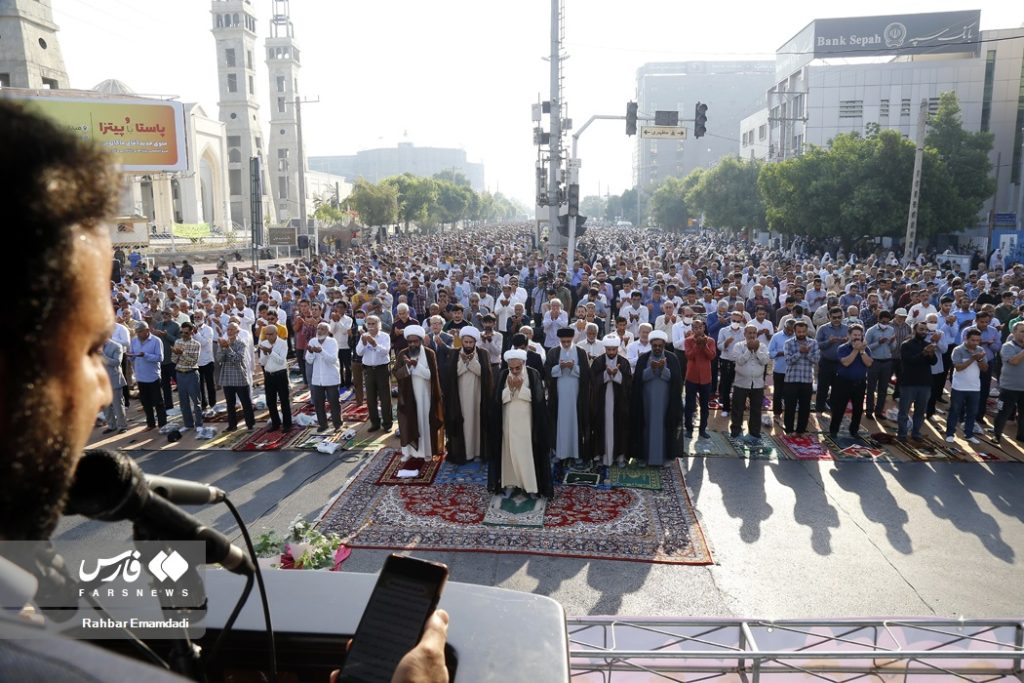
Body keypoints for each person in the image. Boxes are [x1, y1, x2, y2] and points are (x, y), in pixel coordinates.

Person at [0, 100, 450, 683]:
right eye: (89, 350)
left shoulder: (33, 585)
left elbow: (152, 640)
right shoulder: (38, 661)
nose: (107, 392)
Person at [489, 350, 553, 498]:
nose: (515, 371)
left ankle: (529, 486)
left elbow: (538, 399)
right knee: (509, 451)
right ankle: (510, 484)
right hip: (508, 421)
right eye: (512, 368)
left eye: (518, 368)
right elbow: (497, 400)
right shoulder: (504, 374)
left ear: (523, 363)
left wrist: (521, 388)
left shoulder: (533, 374)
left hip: (527, 422)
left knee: (526, 452)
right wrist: (510, 390)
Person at [393, 325, 444, 461]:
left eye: (415, 341)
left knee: (424, 422)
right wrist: (408, 367)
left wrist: (417, 366)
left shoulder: (429, 353)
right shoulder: (402, 354)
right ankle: (408, 452)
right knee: (409, 421)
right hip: (408, 395)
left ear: (420, 341)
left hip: (425, 396)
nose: (413, 344)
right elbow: (397, 374)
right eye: (410, 342)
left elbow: (431, 375)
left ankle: (426, 452)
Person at [632, 330, 683, 465]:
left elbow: (676, 380)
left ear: (664, 345)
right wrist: (652, 370)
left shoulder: (672, 358)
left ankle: (665, 457)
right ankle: (644, 457)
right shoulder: (643, 359)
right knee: (646, 427)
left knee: (665, 427)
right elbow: (638, 379)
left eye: (660, 346)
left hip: (666, 401)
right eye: (654, 346)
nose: (657, 348)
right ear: (651, 345)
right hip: (647, 401)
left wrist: (662, 369)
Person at [443, 327, 492, 464]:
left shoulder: (483, 354)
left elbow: (486, 375)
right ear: (462, 341)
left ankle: (477, 453)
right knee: (463, 423)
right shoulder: (454, 354)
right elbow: (451, 375)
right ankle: (464, 453)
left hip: (478, 397)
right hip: (460, 398)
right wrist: (464, 362)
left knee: (477, 423)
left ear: (475, 342)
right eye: (466, 342)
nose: (469, 345)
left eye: (471, 342)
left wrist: (471, 361)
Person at [544, 327, 591, 464]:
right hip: (558, 394)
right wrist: (559, 367)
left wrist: (573, 367)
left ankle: (576, 454)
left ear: (572, 339)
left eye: (568, 341)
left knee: (575, 421)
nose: (565, 344)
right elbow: (547, 371)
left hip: (576, 394)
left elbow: (586, 373)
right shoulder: (554, 352)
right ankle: (560, 453)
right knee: (559, 422)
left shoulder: (581, 352)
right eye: (563, 341)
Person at [590, 335, 632, 467]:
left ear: (618, 349)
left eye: (614, 349)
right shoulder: (598, 362)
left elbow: (629, 383)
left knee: (620, 427)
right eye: (609, 350)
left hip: (619, 403)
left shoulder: (624, 362)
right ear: (605, 349)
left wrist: (616, 375)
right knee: (601, 427)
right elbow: (592, 382)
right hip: (602, 403)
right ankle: (602, 456)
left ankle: (620, 456)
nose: (612, 353)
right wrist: (606, 375)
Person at [897, 321, 938, 442]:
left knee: (920, 411)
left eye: (926, 330)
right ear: (914, 330)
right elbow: (910, 361)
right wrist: (924, 352)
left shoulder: (928, 344)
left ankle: (916, 432)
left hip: (925, 383)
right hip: (909, 383)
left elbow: (933, 362)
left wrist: (930, 353)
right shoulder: (906, 345)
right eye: (921, 329)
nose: (924, 332)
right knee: (904, 410)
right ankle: (902, 434)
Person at [830, 324, 872, 439]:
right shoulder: (842, 348)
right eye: (854, 335)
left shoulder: (866, 349)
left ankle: (854, 430)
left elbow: (869, 363)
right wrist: (855, 350)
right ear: (849, 335)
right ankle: (833, 430)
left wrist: (862, 351)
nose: (857, 337)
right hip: (843, 382)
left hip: (860, 383)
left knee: (858, 408)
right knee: (839, 408)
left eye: (859, 335)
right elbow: (846, 362)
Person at [945, 329, 986, 444]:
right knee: (955, 410)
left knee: (972, 412)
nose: (975, 343)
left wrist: (980, 359)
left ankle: (969, 434)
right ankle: (949, 433)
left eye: (978, 340)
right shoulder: (958, 350)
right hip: (959, 387)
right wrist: (973, 358)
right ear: (966, 339)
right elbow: (958, 367)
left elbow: (985, 368)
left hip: (975, 387)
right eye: (973, 340)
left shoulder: (980, 350)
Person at [730, 323, 770, 442]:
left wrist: (756, 350)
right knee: (738, 408)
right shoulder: (738, 346)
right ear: (745, 334)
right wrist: (748, 349)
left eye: (754, 333)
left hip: (757, 383)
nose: (752, 335)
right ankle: (736, 432)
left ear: (756, 334)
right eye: (749, 333)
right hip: (741, 382)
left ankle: (754, 433)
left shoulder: (762, 346)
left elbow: (765, 361)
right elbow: (740, 361)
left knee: (756, 409)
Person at [357, 314, 393, 432]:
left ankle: (387, 424)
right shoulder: (364, 336)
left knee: (385, 398)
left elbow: (385, 352)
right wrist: (363, 342)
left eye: (373, 324)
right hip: (368, 370)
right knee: (371, 398)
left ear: (379, 325)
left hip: (382, 369)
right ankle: (375, 423)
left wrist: (374, 344)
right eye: (369, 324)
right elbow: (359, 353)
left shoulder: (384, 336)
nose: (371, 326)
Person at [783, 321, 819, 435]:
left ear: (807, 331)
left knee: (805, 407)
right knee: (790, 406)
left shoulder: (813, 343)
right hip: (791, 380)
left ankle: (801, 430)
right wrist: (799, 352)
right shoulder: (788, 343)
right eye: (799, 332)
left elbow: (816, 360)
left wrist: (807, 353)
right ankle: (789, 429)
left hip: (806, 379)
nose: (801, 334)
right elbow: (788, 361)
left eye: (803, 331)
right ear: (794, 331)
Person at [684, 319, 716, 439]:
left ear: (704, 328)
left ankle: (703, 429)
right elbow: (689, 356)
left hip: (705, 378)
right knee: (690, 404)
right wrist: (698, 345)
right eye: (695, 328)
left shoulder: (711, 340)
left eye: (700, 327)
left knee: (704, 405)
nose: (698, 330)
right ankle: (689, 428)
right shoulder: (688, 341)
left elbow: (712, 356)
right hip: (691, 377)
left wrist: (705, 345)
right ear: (692, 330)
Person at [308, 321, 342, 432]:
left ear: (327, 332)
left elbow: (332, 359)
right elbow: (309, 360)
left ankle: (337, 424)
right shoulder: (312, 341)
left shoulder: (332, 342)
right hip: (318, 378)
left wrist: (321, 351)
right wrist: (311, 352)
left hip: (331, 378)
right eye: (318, 328)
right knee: (318, 403)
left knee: (334, 402)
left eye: (322, 329)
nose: (319, 330)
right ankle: (323, 425)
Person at [993, 321, 1024, 445]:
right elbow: (1014, 361)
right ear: (1014, 332)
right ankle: (996, 436)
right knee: (1003, 413)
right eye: (1022, 331)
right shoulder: (1008, 346)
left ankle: (1021, 437)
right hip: (1009, 388)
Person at [258, 324, 292, 432]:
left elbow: (281, 360)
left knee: (284, 400)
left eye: (270, 334)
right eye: (266, 334)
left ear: (276, 334)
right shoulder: (263, 344)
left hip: (280, 375)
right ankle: (275, 423)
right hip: (269, 375)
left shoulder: (282, 344)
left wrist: (270, 352)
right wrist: (265, 354)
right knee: (270, 402)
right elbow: (262, 362)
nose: (268, 336)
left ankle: (287, 425)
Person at [815, 307, 849, 413]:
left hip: (840, 363)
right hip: (826, 362)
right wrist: (829, 342)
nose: (837, 319)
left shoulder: (847, 329)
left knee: (838, 388)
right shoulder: (823, 329)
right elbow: (817, 345)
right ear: (829, 317)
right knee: (822, 388)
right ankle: (819, 409)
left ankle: (833, 409)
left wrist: (847, 342)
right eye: (834, 318)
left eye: (839, 317)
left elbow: (853, 344)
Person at [172, 321, 204, 432]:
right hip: (180, 374)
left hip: (191, 374)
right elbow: (173, 360)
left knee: (196, 401)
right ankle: (188, 424)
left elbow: (194, 361)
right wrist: (176, 353)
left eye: (185, 333)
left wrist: (182, 353)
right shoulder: (177, 342)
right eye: (181, 332)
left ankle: (199, 424)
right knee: (183, 401)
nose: (183, 335)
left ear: (191, 332)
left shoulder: (196, 344)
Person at [864, 310, 896, 420]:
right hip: (874, 362)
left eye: (887, 322)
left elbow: (893, 348)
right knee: (871, 388)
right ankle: (869, 410)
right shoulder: (871, 331)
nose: (885, 324)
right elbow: (866, 348)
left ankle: (879, 411)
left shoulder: (891, 330)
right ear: (878, 320)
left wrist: (892, 342)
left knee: (883, 389)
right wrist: (879, 343)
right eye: (883, 322)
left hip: (887, 362)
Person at [152, 309, 180, 409]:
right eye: (163, 313)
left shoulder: (176, 326)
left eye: (167, 313)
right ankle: (169, 406)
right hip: (161, 361)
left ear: (172, 314)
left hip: (173, 360)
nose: (165, 315)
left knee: (179, 383)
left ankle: (183, 404)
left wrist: (166, 335)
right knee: (165, 386)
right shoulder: (158, 325)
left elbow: (178, 341)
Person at [768, 318, 795, 420]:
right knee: (778, 392)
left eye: (792, 330)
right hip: (779, 369)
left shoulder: (797, 336)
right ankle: (777, 412)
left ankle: (789, 413)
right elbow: (770, 352)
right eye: (788, 329)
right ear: (784, 327)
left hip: (793, 370)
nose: (790, 332)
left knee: (791, 393)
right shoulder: (776, 337)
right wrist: (781, 353)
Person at [101, 337, 128, 433]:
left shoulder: (117, 346)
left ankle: (122, 426)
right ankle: (111, 425)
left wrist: (101, 355)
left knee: (118, 405)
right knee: (105, 406)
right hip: (101, 381)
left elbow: (116, 362)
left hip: (114, 379)